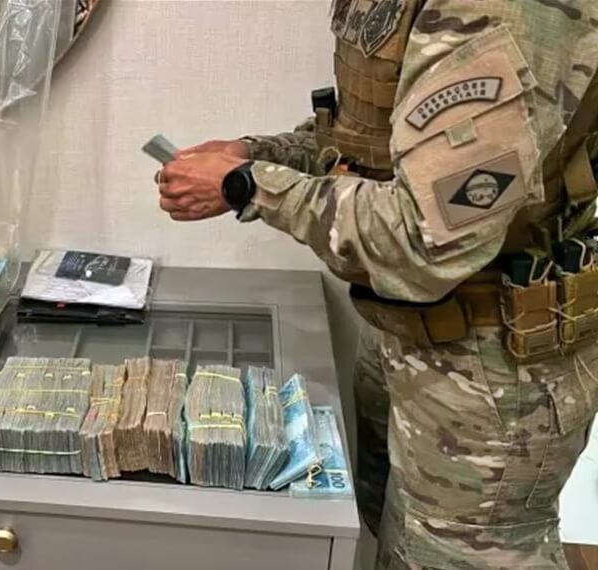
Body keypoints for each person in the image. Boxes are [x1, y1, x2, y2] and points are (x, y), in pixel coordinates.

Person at [156, 1, 598, 568]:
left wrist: (248, 185)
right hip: (407, 334)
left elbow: (423, 240)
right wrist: (255, 154)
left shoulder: (500, 10)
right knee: (392, 539)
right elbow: (370, 148)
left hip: (489, 373)